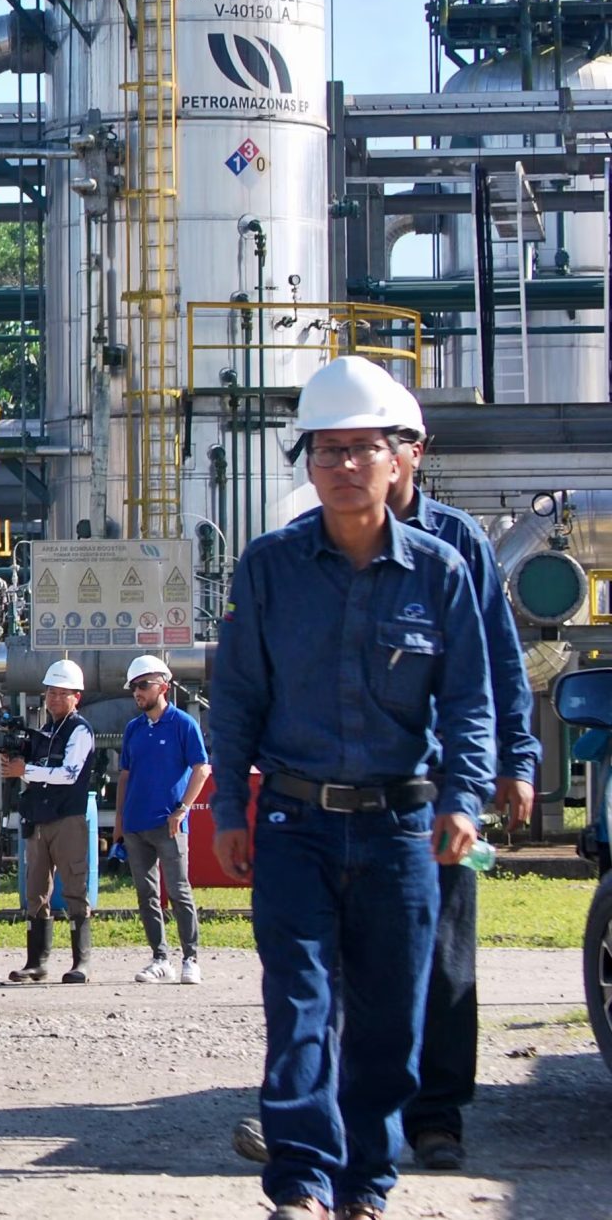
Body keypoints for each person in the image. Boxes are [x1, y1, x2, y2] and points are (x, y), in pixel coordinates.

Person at [229, 361, 539, 1178]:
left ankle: (435, 1114)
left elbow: (494, 669)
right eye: (329, 451)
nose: (351, 466)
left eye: (368, 447)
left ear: (406, 453)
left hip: (436, 790)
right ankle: (320, 1120)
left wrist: (515, 761)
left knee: (438, 956)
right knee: (317, 974)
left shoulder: (456, 548)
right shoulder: (295, 548)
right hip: (323, 803)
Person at [0, 658, 96, 984]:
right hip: (38, 819)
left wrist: (23, 770)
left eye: (61, 693)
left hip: (67, 818)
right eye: (50, 692)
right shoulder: (45, 733)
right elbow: (36, 773)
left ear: (76, 697)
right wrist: (16, 758)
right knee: (35, 891)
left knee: (74, 887)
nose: (53, 699)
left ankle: (80, 962)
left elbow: (69, 774)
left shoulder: (80, 731)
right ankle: (35, 961)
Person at [116, 653, 210, 984]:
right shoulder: (133, 729)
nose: (137, 692)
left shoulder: (185, 724)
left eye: (142, 685)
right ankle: (160, 958)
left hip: (169, 824)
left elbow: (202, 768)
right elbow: (125, 776)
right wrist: (119, 824)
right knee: (146, 894)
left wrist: (183, 808)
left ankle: (191, 958)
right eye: (133, 687)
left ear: (163, 687)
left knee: (180, 890)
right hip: (136, 825)